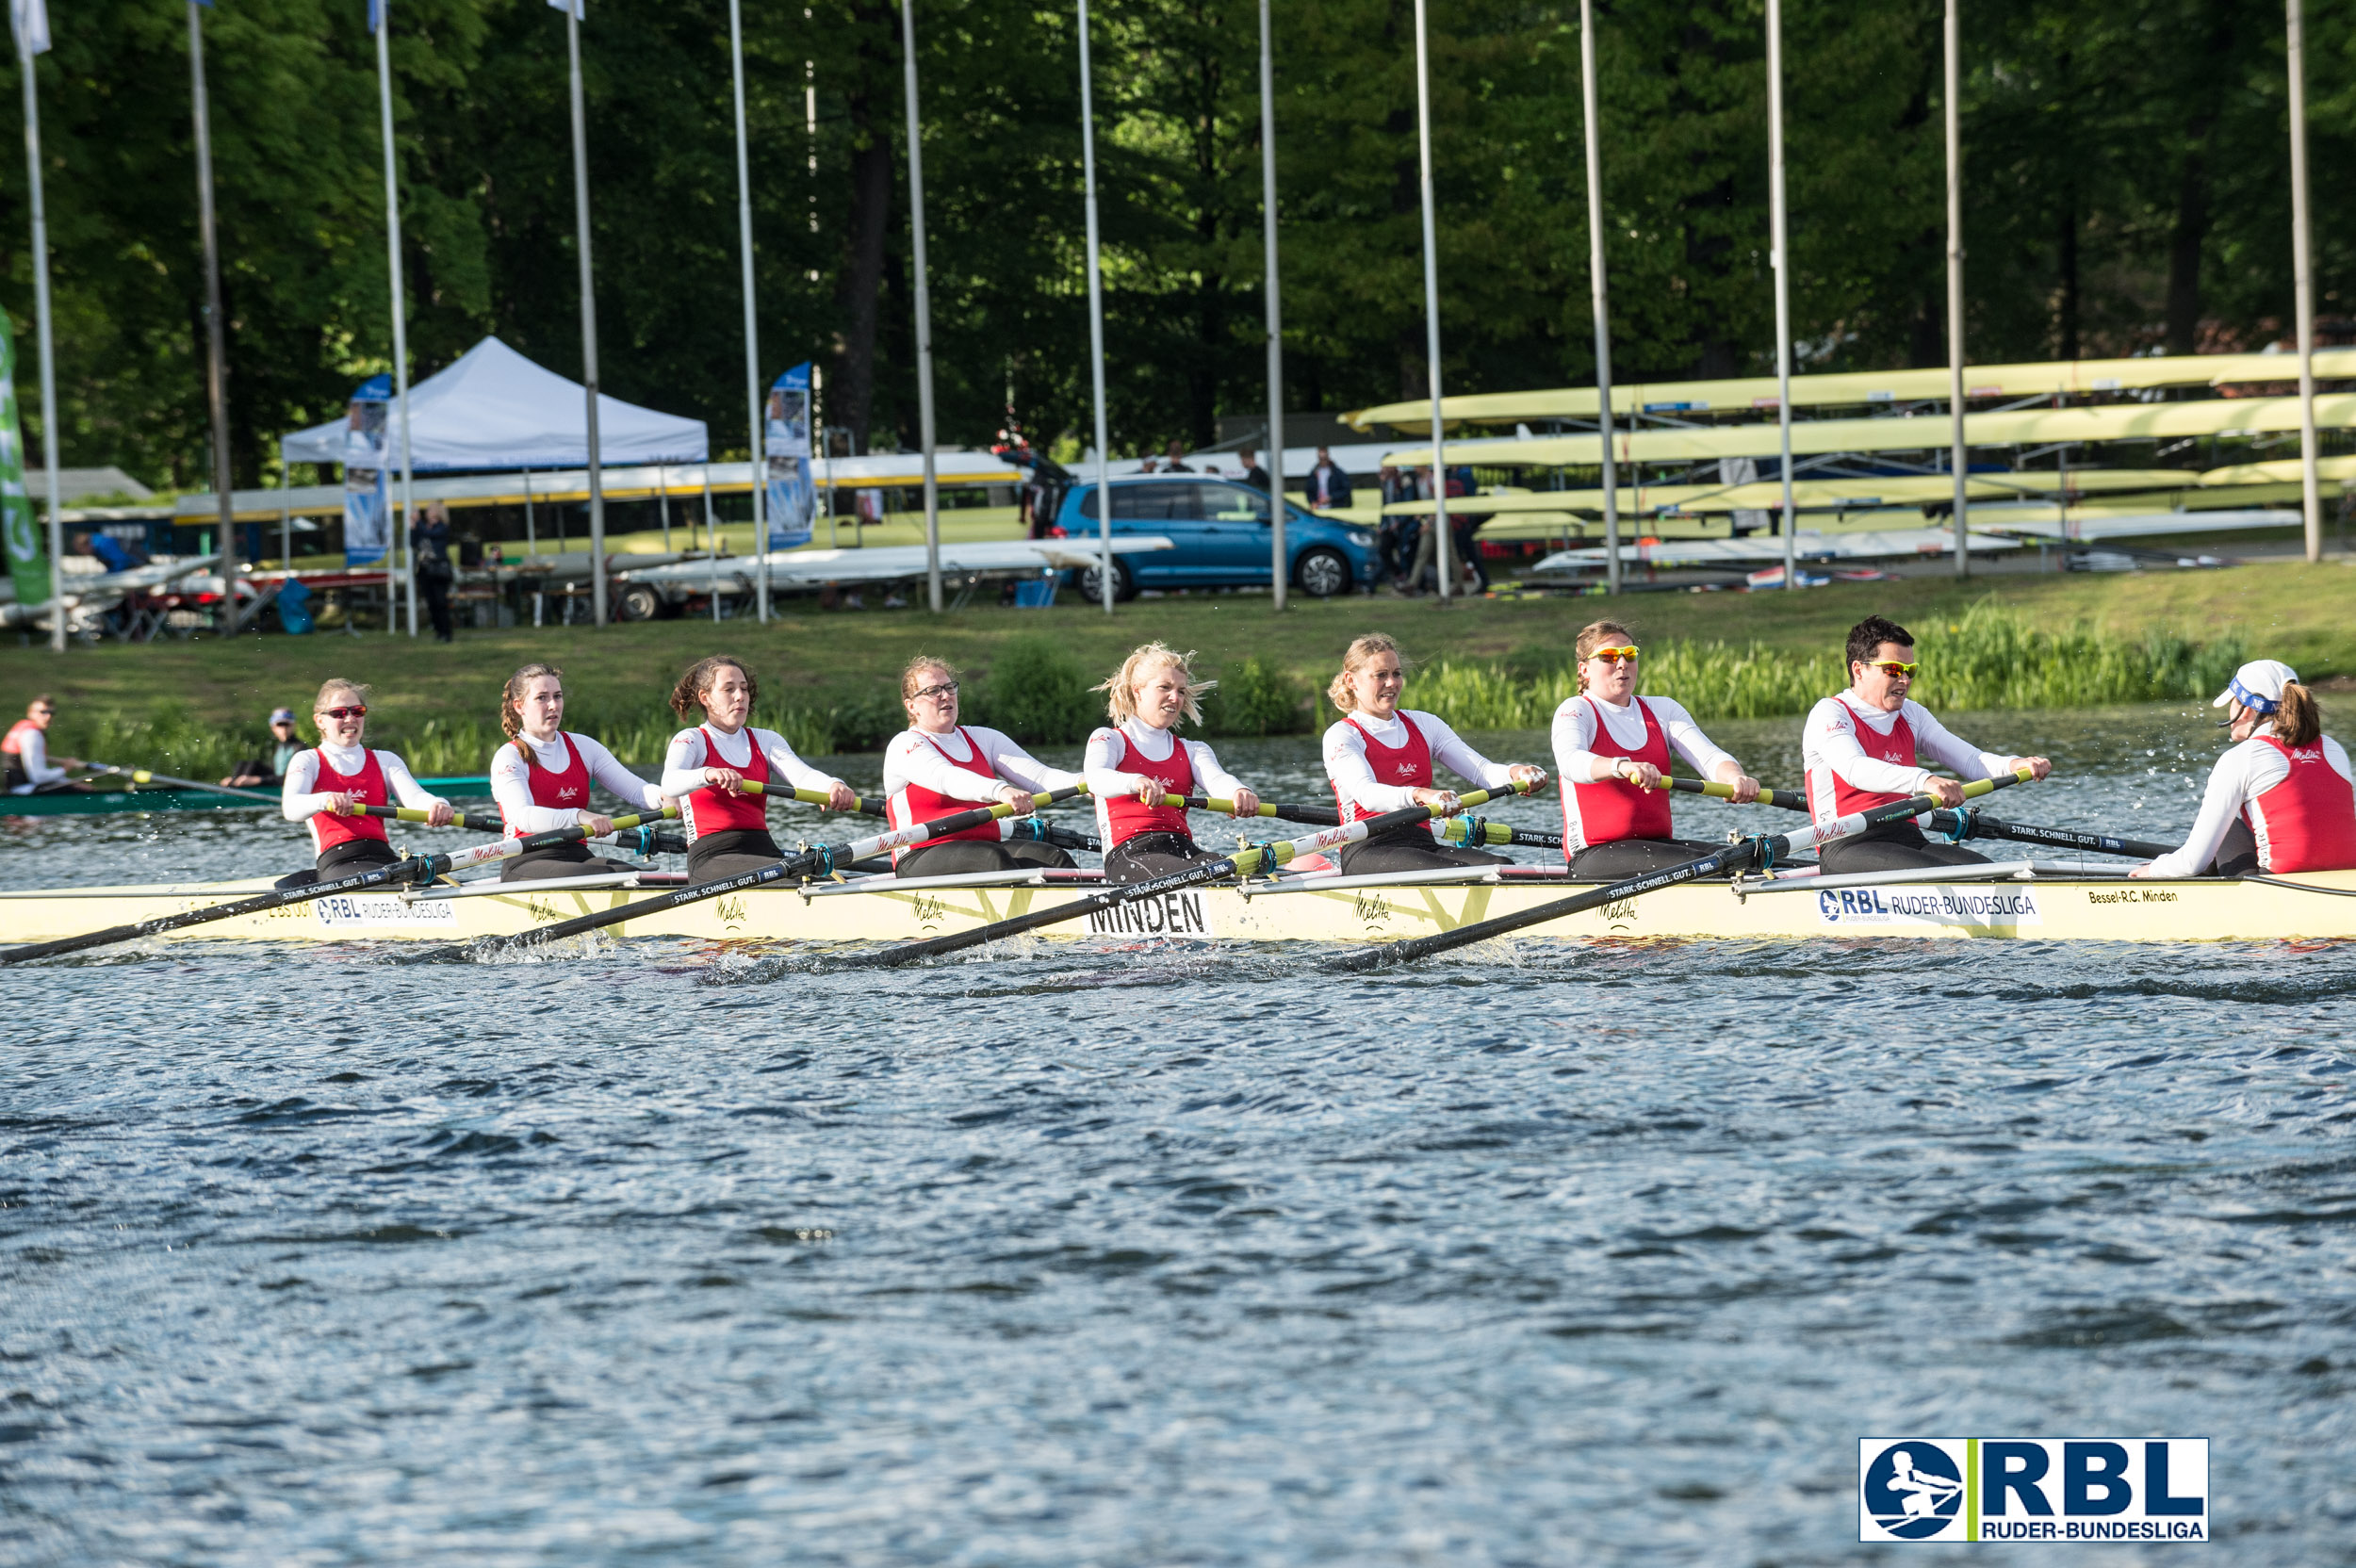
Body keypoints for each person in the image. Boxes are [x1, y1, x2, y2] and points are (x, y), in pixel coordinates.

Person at [1803, 614, 2052, 874]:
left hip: (1907, 837)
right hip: (1847, 845)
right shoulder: (1830, 713)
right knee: (1945, 877)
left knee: (1991, 872)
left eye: (1910, 671)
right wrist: (1926, 780)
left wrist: (2016, 763)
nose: (1905, 680)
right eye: (1894, 670)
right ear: (1859, 669)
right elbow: (1855, 769)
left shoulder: (1912, 714)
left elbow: (1969, 759)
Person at [1550, 620, 1763, 877]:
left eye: (1629, 654)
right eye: (1608, 657)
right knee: (1719, 864)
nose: (1621, 664)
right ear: (1584, 669)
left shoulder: (1663, 709)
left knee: (1751, 856)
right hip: (1595, 855)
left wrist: (1735, 778)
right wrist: (1622, 766)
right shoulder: (1576, 710)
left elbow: (1709, 757)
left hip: (1657, 847)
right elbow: (1570, 762)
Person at [1322, 633, 1546, 874]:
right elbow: (1366, 793)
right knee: (1457, 872)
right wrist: (1420, 794)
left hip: (1421, 843)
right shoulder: (1343, 735)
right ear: (1351, 680)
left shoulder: (1424, 724)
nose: (1392, 683)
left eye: (1396, 673)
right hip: (1367, 850)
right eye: (1380, 675)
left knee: (1503, 867)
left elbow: (1482, 770)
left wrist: (1516, 772)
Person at [2133, 660, 2356, 879]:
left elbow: (2192, 862)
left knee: (2227, 829)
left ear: (2246, 709)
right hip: (2343, 878)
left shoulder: (2243, 757)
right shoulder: (2333, 749)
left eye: (2232, 702)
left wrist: (2154, 870)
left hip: (2275, 886)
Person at [660, 655, 857, 884]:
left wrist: (833, 785)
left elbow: (803, 776)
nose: (740, 696)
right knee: (799, 881)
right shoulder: (691, 740)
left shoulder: (766, 740)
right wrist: (709, 773)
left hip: (763, 850)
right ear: (705, 698)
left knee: (828, 881)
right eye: (728, 689)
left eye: (744, 689)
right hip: (711, 858)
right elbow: (670, 782)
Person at [884, 656, 1083, 876]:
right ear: (911, 706)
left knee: (1053, 857)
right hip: (920, 854)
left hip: (986, 846)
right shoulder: (904, 745)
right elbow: (945, 777)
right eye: (933, 691)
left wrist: (1082, 783)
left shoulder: (983, 738)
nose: (946, 695)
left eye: (950, 687)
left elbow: (1041, 776)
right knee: (992, 858)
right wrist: (1001, 790)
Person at [1085, 644, 1260, 883]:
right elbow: (1096, 778)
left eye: (1181, 691)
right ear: (1138, 691)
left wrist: (1238, 791)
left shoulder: (1193, 750)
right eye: (1165, 688)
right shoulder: (1109, 739)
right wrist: (1137, 781)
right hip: (1129, 854)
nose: (1175, 698)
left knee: (1245, 873)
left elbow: (1217, 779)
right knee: (1210, 876)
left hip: (1183, 849)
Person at [492, 663, 668, 882]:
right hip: (526, 858)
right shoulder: (509, 757)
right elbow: (523, 817)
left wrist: (666, 797)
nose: (553, 705)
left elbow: (637, 791)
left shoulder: (584, 747)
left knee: (638, 876)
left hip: (577, 854)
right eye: (542, 698)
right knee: (616, 876)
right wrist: (578, 816)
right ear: (519, 706)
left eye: (558, 696)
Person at [278, 678, 454, 886]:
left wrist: (438, 805)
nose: (350, 718)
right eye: (339, 713)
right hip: (338, 862)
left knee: (440, 884)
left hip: (383, 857)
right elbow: (291, 809)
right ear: (320, 721)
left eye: (358, 711)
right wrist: (326, 798)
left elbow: (415, 798)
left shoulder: (386, 760)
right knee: (413, 887)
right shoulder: (308, 760)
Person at [4, 694, 86, 794]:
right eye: (43, 712)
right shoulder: (32, 735)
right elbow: (39, 777)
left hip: (20, 789)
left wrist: (71, 783)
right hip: (23, 791)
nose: (48, 717)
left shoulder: (25, 729)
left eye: (51, 713)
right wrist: (65, 768)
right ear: (30, 713)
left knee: (78, 787)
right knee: (80, 792)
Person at [222, 707, 304, 788]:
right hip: (276, 780)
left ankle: (237, 786)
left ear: (294, 725)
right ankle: (234, 781)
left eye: (287, 725)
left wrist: (258, 780)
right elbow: (273, 771)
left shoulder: (300, 747)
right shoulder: (278, 746)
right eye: (280, 725)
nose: (284, 729)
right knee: (250, 764)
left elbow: (293, 777)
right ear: (273, 728)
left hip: (285, 783)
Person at [411, 501, 456, 643]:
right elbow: (414, 543)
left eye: (430, 509)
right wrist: (413, 528)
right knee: (431, 603)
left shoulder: (441, 527)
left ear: (437, 512)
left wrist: (417, 522)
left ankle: (446, 633)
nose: (427, 511)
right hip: (425, 569)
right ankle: (438, 631)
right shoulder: (424, 527)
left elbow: (429, 534)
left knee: (440, 601)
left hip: (438, 570)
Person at [1308, 447, 1353, 511]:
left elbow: (1346, 490)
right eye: (1321, 458)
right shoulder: (1314, 473)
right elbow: (1309, 491)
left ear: (1328, 457)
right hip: (1318, 508)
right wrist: (1313, 502)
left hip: (1336, 507)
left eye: (1325, 458)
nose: (1323, 461)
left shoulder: (1338, 473)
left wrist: (1331, 497)